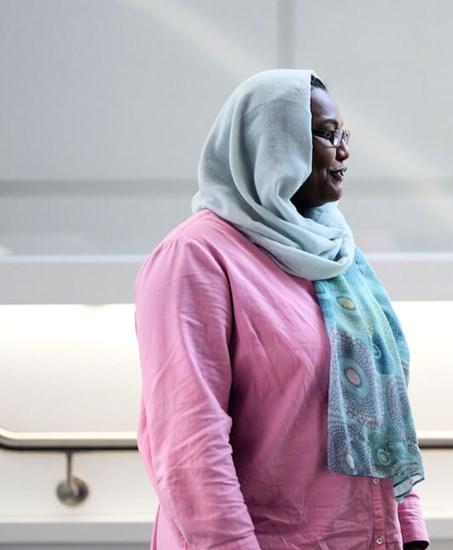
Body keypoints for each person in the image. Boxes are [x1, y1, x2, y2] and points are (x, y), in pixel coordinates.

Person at [134, 69, 429, 549]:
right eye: (326, 134)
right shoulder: (197, 258)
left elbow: (386, 412)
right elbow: (190, 443)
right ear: (271, 141)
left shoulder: (337, 253)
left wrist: (410, 531)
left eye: (342, 134)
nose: (344, 152)